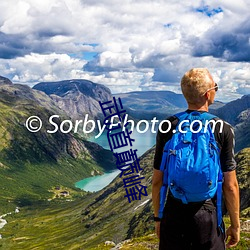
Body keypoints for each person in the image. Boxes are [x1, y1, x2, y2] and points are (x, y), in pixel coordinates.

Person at [152, 68, 240, 250]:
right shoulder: (222, 129)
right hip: (207, 215)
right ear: (208, 94)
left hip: (174, 212)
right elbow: (230, 185)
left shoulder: (168, 125)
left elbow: (157, 181)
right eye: (216, 87)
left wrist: (158, 218)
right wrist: (235, 225)